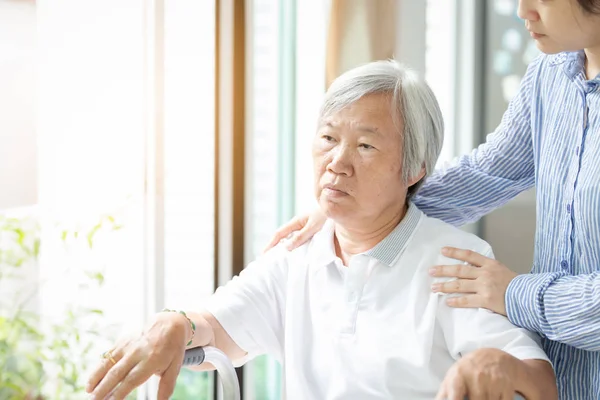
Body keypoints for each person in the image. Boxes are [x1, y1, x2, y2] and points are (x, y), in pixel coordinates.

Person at [86, 61, 557, 400]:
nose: (337, 162)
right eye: (329, 138)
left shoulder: (455, 259)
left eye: (366, 146)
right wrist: (176, 324)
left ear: (414, 168)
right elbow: (217, 328)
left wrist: (497, 366)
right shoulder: (297, 252)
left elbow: (540, 382)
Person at [266, 0, 600, 398]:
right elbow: (487, 172)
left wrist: (513, 293)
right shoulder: (551, 76)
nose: (523, 11)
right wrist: (352, 204)